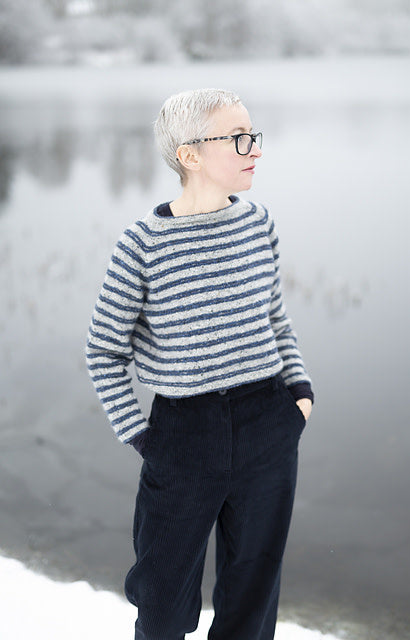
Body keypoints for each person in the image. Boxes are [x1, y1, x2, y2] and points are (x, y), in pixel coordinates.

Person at [85, 88, 314, 640]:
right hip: (183, 435)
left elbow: (275, 318)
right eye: (238, 139)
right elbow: (103, 351)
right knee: (161, 606)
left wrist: (300, 395)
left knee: (251, 601)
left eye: (253, 135)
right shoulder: (143, 245)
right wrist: (142, 436)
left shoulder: (258, 223)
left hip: (268, 422)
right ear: (189, 155)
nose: (255, 149)